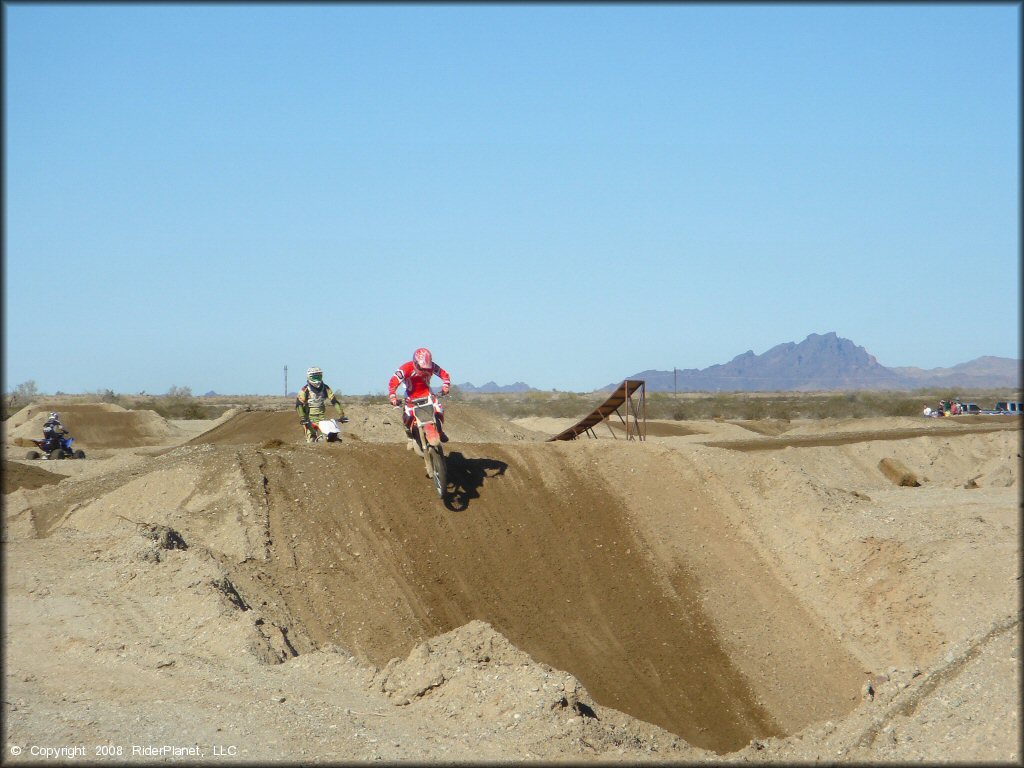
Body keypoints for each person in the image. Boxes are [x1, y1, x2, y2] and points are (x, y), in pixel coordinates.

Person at [387, 347, 451, 444]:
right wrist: (393, 396)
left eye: (426, 368)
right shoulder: (405, 368)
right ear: (415, 362)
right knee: (408, 415)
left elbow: (444, 374)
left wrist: (445, 386)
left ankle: (440, 432)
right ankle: (410, 437)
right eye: (421, 368)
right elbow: (393, 382)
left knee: (439, 410)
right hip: (411, 396)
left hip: (427, 393)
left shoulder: (432, 366)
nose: (424, 370)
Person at [295, 367, 345, 442]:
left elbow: (334, 401)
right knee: (311, 438)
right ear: (309, 377)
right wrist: (303, 418)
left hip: (322, 418)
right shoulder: (305, 390)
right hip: (309, 419)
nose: (317, 379)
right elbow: (299, 405)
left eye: (318, 376)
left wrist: (341, 415)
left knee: (332, 435)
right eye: (314, 376)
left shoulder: (325, 388)